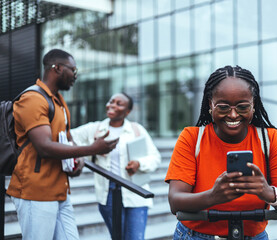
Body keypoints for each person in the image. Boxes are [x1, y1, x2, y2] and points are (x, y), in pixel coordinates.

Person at [165, 65, 277, 239]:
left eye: (242, 107)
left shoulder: (270, 139)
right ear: (210, 104)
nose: (233, 115)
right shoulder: (191, 138)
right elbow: (175, 201)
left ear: (253, 106)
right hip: (195, 235)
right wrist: (213, 196)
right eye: (223, 107)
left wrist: (267, 192)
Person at [6, 49, 119, 240]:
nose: (75, 76)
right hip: (36, 191)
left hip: (59, 190)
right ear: (57, 68)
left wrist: (79, 160)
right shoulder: (33, 99)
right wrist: (92, 149)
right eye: (73, 70)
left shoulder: (58, 100)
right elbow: (45, 146)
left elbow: (65, 138)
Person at [70, 92, 161, 240]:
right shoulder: (95, 129)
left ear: (128, 111)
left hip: (135, 193)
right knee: (118, 237)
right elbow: (69, 137)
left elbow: (155, 157)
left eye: (119, 104)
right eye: (111, 101)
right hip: (108, 193)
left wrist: (139, 164)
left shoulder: (136, 130)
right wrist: (90, 150)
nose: (112, 105)